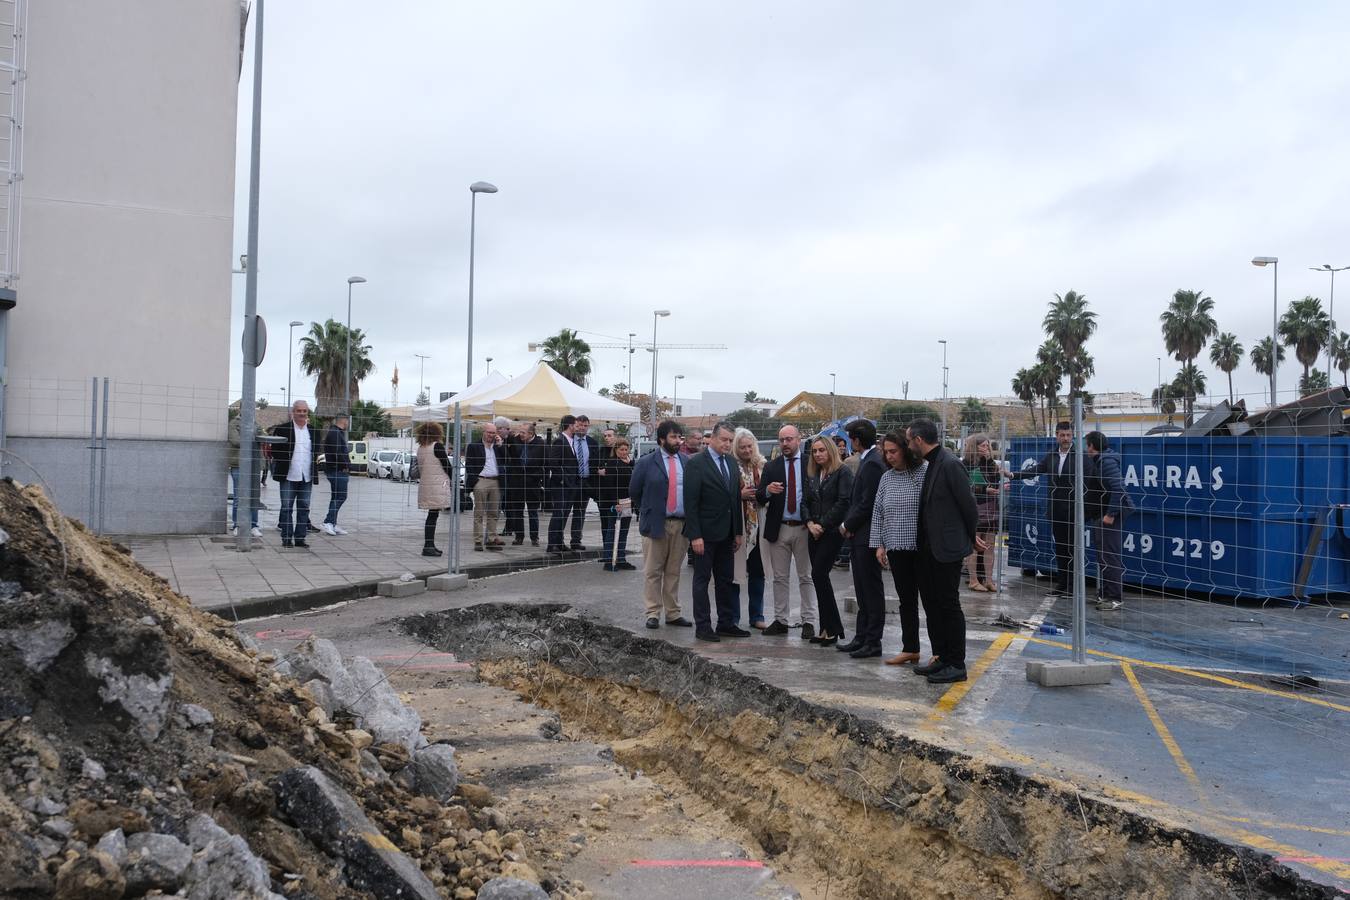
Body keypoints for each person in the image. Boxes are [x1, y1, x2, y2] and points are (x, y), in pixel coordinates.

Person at [907, 418, 984, 685]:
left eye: (909, 440)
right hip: (929, 550)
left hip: (946, 550)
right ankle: (941, 657)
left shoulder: (950, 464)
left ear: (918, 440)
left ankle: (956, 663)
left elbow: (969, 506)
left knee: (948, 606)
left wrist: (970, 536)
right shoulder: (932, 464)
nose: (908, 445)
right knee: (932, 604)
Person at [629, 420, 694, 630]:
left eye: (680, 437)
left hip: (681, 525)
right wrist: (648, 511)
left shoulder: (687, 461)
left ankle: (673, 613)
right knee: (653, 571)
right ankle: (653, 612)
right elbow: (635, 492)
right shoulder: (646, 462)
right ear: (662, 439)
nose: (678, 441)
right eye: (674, 437)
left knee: (674, 571)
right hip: (656, 524)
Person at [683, 421, 745, 642]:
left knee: (725, 580)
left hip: (727, 533)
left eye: (730, 440)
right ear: (713, 438)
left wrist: (737, 531)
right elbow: (690, 503)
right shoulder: (697, 463)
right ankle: (703, 626)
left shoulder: (731, 461)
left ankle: (726, 623)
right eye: (724, 440)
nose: (727, 444)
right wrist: (695, 535)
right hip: (704, 534)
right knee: (702, 580)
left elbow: (735, 499)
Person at [871, 431, 928, 666]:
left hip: (922, 547)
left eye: (893, 451)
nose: (889, 456)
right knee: (906, 600)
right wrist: (879, 544)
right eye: (886, 452)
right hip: (896, 547)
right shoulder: (886, 478)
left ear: (905, 449)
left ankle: (939, 651)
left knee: (931, 600)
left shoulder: (923, 472)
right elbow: (878, 512)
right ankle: (910, 648)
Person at [756, 425, 818, 638]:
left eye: (789, 439)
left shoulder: (812, 463)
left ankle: (808, 621)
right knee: (779, 577)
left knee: (806, 576)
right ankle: (781, 620)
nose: (785, 444)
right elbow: (759, 497)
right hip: (779, 528)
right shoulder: (771, 467)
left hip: (804, 528)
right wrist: (767, 491)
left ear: (798, 440)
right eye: (782, 440)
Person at [1007, 421, 1077, 596]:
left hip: (1075, 509)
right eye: (1062, 435)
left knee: (1073, 548)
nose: (1066, 438)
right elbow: (1036, 469)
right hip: (1056, 509)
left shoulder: (1080, 455)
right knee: (1061, 548)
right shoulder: (1052, 455)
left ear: (1072, 435)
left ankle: (1073, 586)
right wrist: (1014, 475)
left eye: (1068, 435)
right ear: (1057, 436)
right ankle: (1063, 584)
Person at [836, 419, 887, 659]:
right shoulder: (869, 459)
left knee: (870, 590)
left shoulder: (874, 463)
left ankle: (872, 640)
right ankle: (861, 636)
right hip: (861, 535)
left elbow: (868, 502)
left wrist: (847, 524)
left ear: (856, 439)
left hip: (867, 536)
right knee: (862, 590)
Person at [802, 436, 852, 646]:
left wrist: (822, 524)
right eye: (814, 451)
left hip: (830, 532)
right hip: (813, 531)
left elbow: (843, 502)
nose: (818, 454)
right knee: (820, 579)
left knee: (818, 574)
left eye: (821, 450)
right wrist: (810, 523)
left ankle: (832, 628)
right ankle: (826, 628)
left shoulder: (843, 472)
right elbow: (804, 501)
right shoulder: (813, 474)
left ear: (830, 450)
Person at [1086, 431, 1133, 610]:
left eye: (1087, 445)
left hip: (1110, 515)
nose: (1086, 448)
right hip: (1101, 513)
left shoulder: (1106, 462)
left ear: (1092, 446)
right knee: (1103, 555)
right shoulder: (1101, 460)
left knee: (1110, 556)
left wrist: (1111, 514)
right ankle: (1105, 593)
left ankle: (1114, 597)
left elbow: (1119, 488)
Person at [729, 428, 767, 629]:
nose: (746, 450)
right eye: (742, 447)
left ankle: (757, 616)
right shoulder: (730, 466)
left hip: (759, 526)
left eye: (749, 446)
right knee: (735, 575)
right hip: (738, 526)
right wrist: (739, 496)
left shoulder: (762, 466)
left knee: (757, 573)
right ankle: (733, 618)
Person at [270, 400, 320, 548]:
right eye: (299, 410)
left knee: (304, 507)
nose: (302, 413)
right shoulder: (283, 429)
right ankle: (286, 538)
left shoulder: (313, 431)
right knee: (286, 507)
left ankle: (300, 538)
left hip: (306, 476)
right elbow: (275, 451)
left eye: (304, 411)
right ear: (293, 412)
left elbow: (316, 451)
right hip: (288, 475)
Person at [962, 434, 1003, 592]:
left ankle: (988, 579)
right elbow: (965, 486)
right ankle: (973, 579)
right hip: (975, 507)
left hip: (991, 506)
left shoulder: (989, 463)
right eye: (983, 446)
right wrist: (983, 489)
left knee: (990, 546)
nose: (986, 449)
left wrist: (990, 460)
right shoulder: (966, 464)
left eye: (988, 446)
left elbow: (996, 477)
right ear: (974, 447)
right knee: (975, 545)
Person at [545, 415, 584, 553]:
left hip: (571, 484)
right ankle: (552, 543)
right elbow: (553, 463)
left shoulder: (571, 441)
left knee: (565, 513)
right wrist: (563, 479)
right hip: (561, 485)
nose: (578, 427)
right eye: (576, 424)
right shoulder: (559, 441)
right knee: (559, 513)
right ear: (570, 425)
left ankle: (559, 542)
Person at [415, 422, 453, 557]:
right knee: (433, 516)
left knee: (432, 515)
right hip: (437, 485)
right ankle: (428, 546)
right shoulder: (437, 446)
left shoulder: (421, 448)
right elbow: (447, 466)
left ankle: (430, 544)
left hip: (426, 485)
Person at [465, 422, 504, 552]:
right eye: (489, 432)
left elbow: (508, 459)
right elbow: (469, 465)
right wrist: (475, 481)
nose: (491, 435)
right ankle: (478, 541)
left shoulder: (498, 447)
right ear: (483, 432)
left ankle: (492, 539)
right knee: (479, 513)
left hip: (495, 481)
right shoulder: (474, 446)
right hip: (481, 480)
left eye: (493, 433)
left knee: (493, 513)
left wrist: (501, 445)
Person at [599, 436, 636, 571]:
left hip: (628, 501)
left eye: (626, 449)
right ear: (616, 450)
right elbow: (610, 485)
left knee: (624, 531)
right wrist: (615, 502)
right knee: (612, 530)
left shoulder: (629, 463)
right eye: (621, 449)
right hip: (616, 502)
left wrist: (630, 463)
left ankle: (620, 558)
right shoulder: (612, 463)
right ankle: (609, 560)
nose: (624, 452)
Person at [227, 412, 262, 538]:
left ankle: (253, 525)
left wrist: (249, 436)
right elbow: (236, 441)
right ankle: (237, 525)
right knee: (238, 497)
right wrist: (252, 438)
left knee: (254, 496)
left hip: (254, 464)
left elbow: (262, 436)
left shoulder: (255, 424)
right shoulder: (233, 423)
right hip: (238, 465)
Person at [512, 422, 545, 546]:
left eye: (523, 432)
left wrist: (542, 481)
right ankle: (519, 536)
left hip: (533, 483)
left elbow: (545, 463)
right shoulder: (516, 441)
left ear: (531, 433)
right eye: (520, 431)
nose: (520, 434)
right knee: (517, 511)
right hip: (517, 482)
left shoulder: (540, 444)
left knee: (533, 511)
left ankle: (534, 537)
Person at [320, 413, 352, 536]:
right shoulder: (335, 433)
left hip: (337, 469)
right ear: (344, 421)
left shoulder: (337, 433)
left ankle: (332, 523)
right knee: (341, 497)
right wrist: (346, 465)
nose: (348, 424)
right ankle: (328, 521)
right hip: (337, 470)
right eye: (347, 421)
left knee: (336, 497)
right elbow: (337, 452)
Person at [494, 417, 520, 540]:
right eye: (507, 429)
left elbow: (515, 456)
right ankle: (494, 531)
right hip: (498, 478)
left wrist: (509, 440)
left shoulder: (511, 440)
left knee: (508, 505)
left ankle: (509, 528)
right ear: (499, 429)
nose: (509, 431)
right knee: (499, 505)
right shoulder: (492, 440)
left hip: (510, 478)